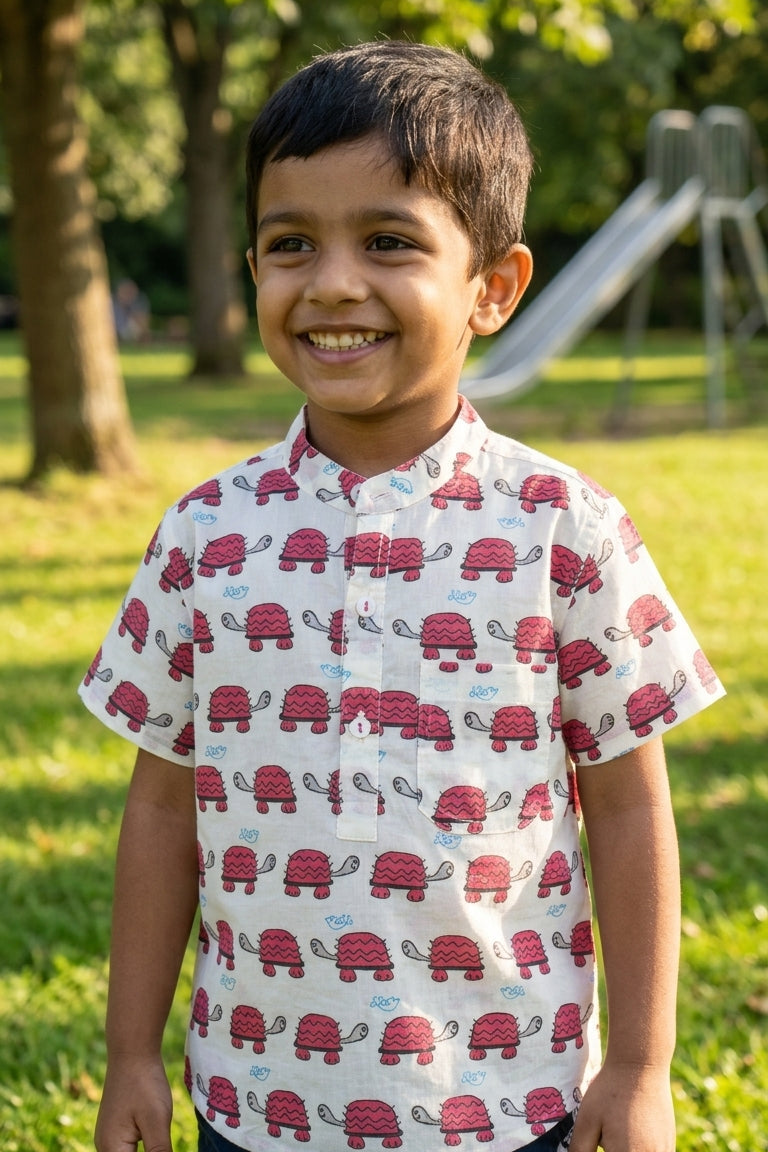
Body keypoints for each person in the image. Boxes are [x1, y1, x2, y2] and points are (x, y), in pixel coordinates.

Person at [81, 41, 724, 1152]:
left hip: (508, 1101)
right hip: (257, 1099)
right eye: (292, 245)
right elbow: (160, 808)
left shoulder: (565, 530)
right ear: (252, 269)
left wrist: (640, 1066)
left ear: (493, 288)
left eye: (387, 241)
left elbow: (627, 811)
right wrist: (132, 1057)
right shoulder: (203, 538)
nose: (331, 283)